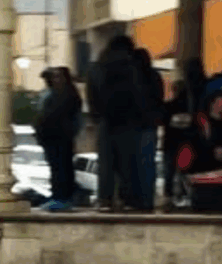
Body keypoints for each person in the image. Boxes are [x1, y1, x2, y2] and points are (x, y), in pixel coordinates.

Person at [87, 34, 151, 212]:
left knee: (106, 164)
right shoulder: (130, 66)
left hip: (105, 121)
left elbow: (91, 95)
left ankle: (105, 199)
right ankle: (128, 199)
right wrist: (142, 115)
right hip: (127, 120)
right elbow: (137, 93)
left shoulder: (96, 67)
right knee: (127, 163)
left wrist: (96, 116)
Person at [162, 57, 208, 211]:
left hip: (172, 141)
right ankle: (189, 194)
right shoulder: (204, 91)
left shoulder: (171, 106)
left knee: (170, 170)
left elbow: (164, 118)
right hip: (193, 138)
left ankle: (170, 195)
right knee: (190, 168)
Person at [38, 67, 83, 211]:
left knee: (61, 169)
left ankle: (61, 198)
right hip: (53, 138)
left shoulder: (65, 96)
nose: (55, 80)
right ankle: (60, 197)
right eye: (54, 77)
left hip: (60, 137)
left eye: (58, 76)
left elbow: (53, 117)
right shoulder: (55, 94)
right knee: (57, 169)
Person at [133, 48, 166, 211]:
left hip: (133, 125)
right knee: (148, 163)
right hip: (150, 124)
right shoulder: (155, 76)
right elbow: (159, 98)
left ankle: (135, 199)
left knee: (133, 164)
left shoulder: (131, 77)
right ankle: (147, 200)